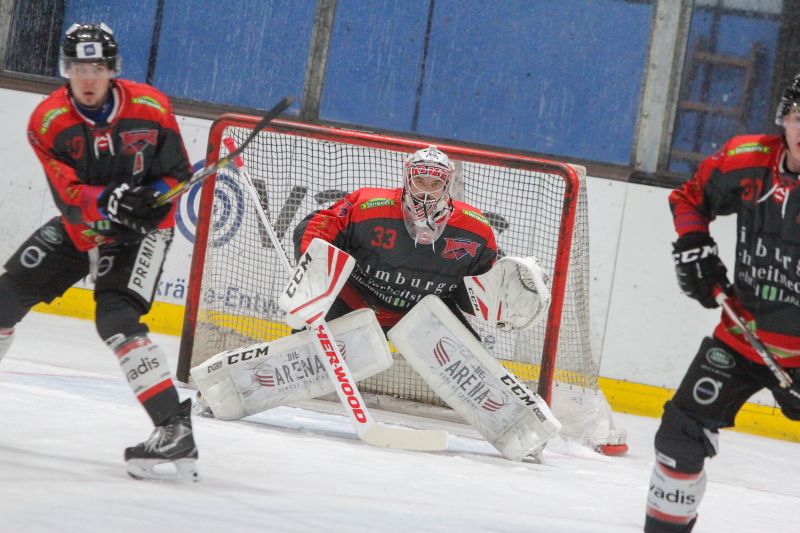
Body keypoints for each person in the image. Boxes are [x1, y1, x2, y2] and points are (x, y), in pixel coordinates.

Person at [0, 22, 198, 481]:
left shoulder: (151, 107)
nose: (87, 77)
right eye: (77, 67)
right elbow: (68, 197)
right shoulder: (48, 122)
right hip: (81, 229)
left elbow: (178, 174)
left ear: (113, 70)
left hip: (139, 235)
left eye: (97, 66)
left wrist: (154, 199)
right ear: (64, 70)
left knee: (116, 318)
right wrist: (106, 201)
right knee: (4, 299)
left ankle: (173, 430)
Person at [644, 75, 800, 531]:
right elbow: (690, 196)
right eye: (799, 118)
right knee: (679, 435)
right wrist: (694, 244)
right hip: (740, 338)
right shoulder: (748, 159)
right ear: (784, 121)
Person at [293, 145, 498, 332]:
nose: (426, 191)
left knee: (473, 367)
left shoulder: (476, 230)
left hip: (420, 317)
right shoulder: (367, 206)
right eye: (419, 181)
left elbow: (480, 289)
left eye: (435, 183)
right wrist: (312, 265)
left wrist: (500, 305)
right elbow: (318, 226)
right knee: (304, 351)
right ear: (407, 179)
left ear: (447, 186)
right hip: (352, 302)